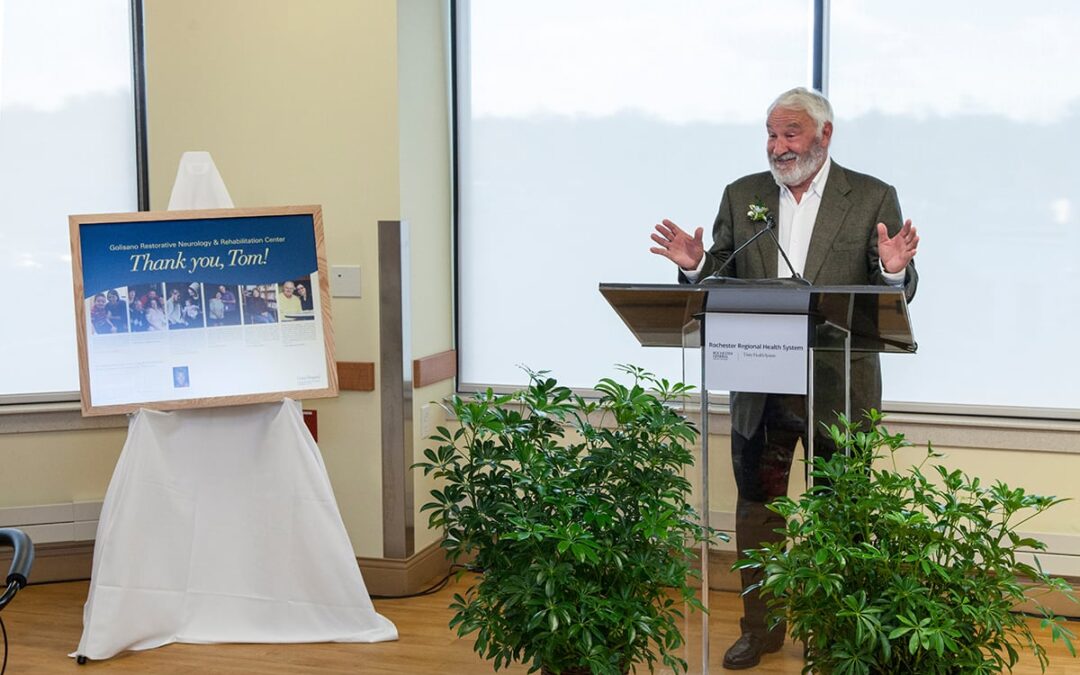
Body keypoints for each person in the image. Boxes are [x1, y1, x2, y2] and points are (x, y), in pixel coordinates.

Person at [650, 87, 919, 670]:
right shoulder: (743, 194)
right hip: (759, 380)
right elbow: (720, 273)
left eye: (790, 134)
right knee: (758, 511)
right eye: (771, 135)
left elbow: (891, 281)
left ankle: (829, 631)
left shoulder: (872, 196)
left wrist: (896, 273)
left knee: (838, 514)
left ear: (825, 135)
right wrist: (696, 265)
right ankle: (761, 628)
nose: (777, 147)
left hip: (837, 385)